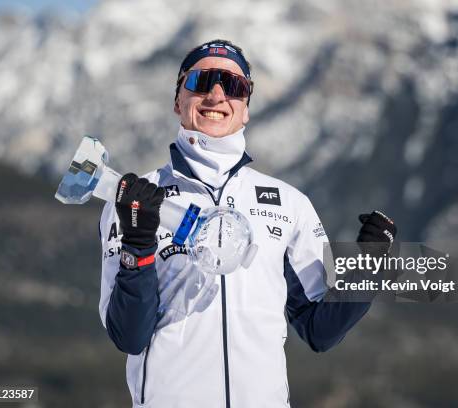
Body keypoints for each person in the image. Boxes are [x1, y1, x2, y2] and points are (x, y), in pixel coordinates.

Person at [98, 39, 397, 408]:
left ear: (246, 110)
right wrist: (139, 245)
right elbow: (129, 336)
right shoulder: (134, 201)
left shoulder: (290, 204)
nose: (217, 94)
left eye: (234, 85)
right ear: (178, 101)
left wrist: (368, 267)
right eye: (202, 81)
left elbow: (322, 330)